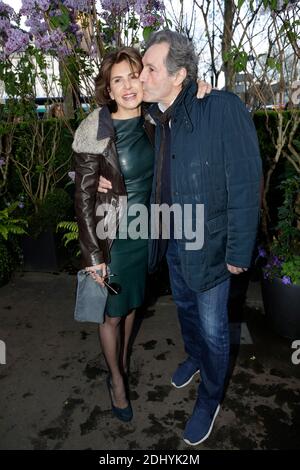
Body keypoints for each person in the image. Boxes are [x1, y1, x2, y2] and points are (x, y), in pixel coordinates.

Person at [99, 30, 262, 445]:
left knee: (214, 329)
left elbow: (246, 182)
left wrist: (238, 251)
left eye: (149, 69)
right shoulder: (155, 117)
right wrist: (100, 179)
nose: (140, 77)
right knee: (186, 312)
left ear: (179, 76)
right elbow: (107, 132)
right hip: (171, 238)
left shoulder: (221, 108)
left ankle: (210, 398)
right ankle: (193, 359)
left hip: (210, 247)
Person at [72, 46, 211, 423]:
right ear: (109, 89)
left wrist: (201, 88)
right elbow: (82, 196)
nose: (128, 85)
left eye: (134, 75)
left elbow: (187, 104)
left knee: (132, 304)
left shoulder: (155, 119)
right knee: (111, 315)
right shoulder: (95, 127)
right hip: (112, 235)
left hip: (148, 232)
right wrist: (93, 257)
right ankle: (116, 379)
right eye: (118, 79)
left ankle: (124, 356)